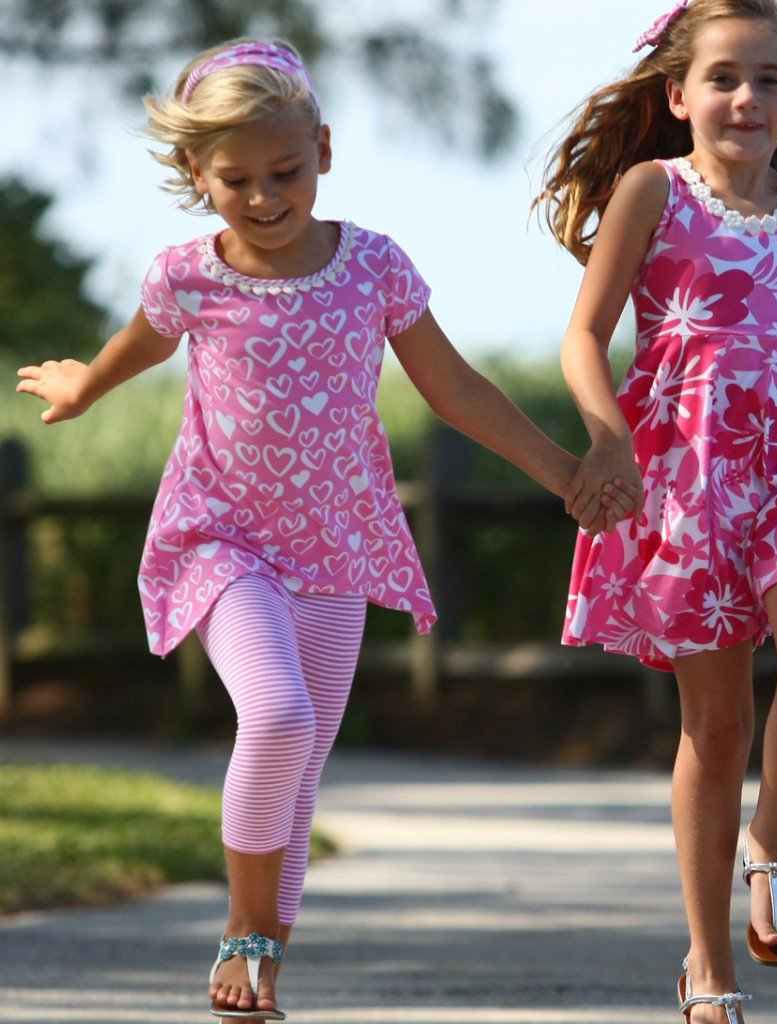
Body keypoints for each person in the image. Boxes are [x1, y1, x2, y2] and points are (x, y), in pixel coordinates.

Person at [16, 38, 637, 1021]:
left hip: (337, 545)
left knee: (297, 771)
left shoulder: (373, 268)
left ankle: (265, 972)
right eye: (235, 179)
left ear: (325, 150)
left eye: (284, 172)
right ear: (196, 175)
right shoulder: (190, 274)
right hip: (218, 538)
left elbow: (458, 389)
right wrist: (83, 385)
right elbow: (134, 344)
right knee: (278, 719)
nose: (263, 197)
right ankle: (246, 930)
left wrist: (566, 472)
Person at [534, 1, 777, 1020]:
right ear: (678, 95)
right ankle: (708, 964)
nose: (745, 97)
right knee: (719, 723)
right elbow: (583, 335)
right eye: (724, 77)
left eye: (768, 80)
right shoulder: (653, 190)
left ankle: (769, 841)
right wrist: (606, 435)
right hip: (686, 468)